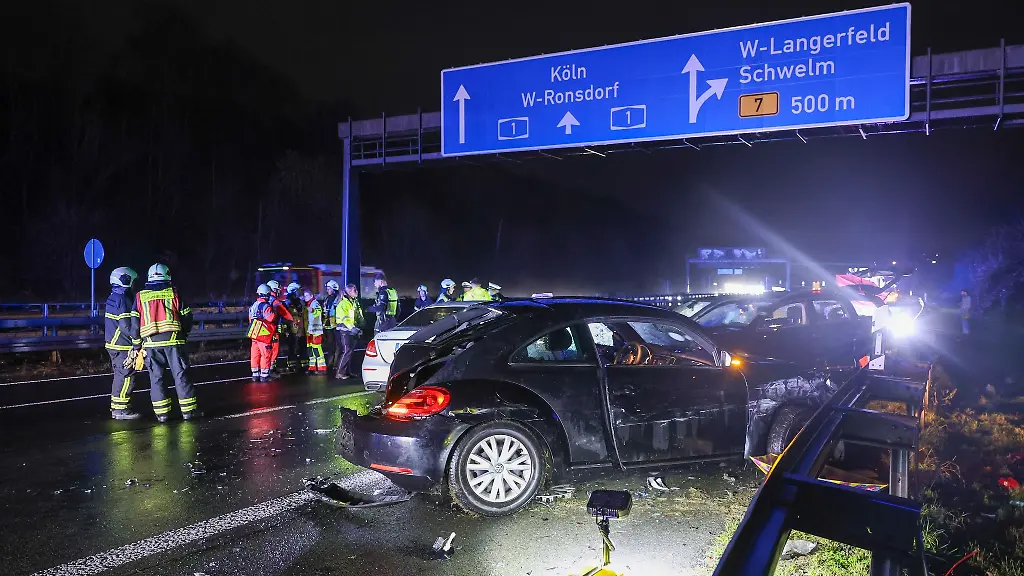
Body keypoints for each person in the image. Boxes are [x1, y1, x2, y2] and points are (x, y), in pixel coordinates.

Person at [135, 263, 197, 422]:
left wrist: (137, 344)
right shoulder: (174, 294)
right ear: (167, 275)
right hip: (173, 342)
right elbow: (187, 317)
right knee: (180, 375)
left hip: (150, 344)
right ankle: (188, 412)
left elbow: (134, 322)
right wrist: (183, 334)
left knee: (156, 379)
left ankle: (162, 415)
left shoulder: (140, 297)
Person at [105, 266, 143, 420]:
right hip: (122, 345)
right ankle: (121, 410)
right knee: (127, 376)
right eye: (133, 281)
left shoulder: (112, 297)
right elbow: (126, 326)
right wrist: (137, 344)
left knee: (120, 376)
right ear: (126, 280)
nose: (134, 285)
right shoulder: (124, 300)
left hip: (113, 344)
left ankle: (117, 407)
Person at [247, 284, 280, 382]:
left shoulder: (253, 305)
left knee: (255, 354)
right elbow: (270, 318)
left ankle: (255, 374)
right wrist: (275, 313)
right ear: (266, 294)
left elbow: (250, 319)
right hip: (263, 334)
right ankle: (264, 375)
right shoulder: (266, 306)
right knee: (266, 353)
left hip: (254, 332)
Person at [335, 283, 364, 379]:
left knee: (350, 351)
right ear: (350, 292)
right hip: (345, 330)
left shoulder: (353, 302)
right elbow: (345, 319)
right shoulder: (343, 304)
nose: (356, 292)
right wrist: (352, 328)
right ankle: (340, 372)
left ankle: (347, 372)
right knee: (347, 351)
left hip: (351, 330)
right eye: (354, 290)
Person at [265, 280, 294, 375]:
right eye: (277, 290)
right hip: (272, 328)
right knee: (274, 349)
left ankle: (264, 370)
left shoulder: (264, 299)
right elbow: (284, 312)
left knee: (265, 350)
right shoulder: (274, 300)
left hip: (263, 329)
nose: (279, 292)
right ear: (273, 289)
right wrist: (292, 319)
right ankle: (271, 369)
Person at [284, 282, 306, 370]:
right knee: (292, 346)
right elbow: (285, 315)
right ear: (293, 291)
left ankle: (303, 363)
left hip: (300, 327)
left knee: (301, 345)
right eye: (298, 290)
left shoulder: (299, 301)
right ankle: (292, 364)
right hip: (291, 328)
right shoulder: (288, 302)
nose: (299, 292)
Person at [303, 288, 326, 373]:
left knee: (317, 348)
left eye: (306, 296)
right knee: (310, 349)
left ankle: (322, 368)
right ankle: (312, 367)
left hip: (316, 331)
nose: (305, 297)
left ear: (311, 296)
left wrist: (312, 310)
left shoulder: (314, 303)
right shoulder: (309, 304)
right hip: (310, 331)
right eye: (304, 296)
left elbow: (318, 311)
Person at [322, 280, 340, 369]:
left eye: (329, 288)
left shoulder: (339, 298)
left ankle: (336, 363)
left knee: (338, 345)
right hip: (328, 325)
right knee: (330, 345)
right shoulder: (327, 298)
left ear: (334, 289)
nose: (327, 290)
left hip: (336, 325)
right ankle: (330, 362)